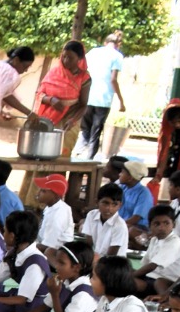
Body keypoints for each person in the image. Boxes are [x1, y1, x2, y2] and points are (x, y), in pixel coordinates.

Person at [33, 40, 91, 155]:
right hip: (48, 119)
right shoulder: (53, 72)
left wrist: (72, 121)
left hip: (69, 120)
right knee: (41, 151)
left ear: (79, 58)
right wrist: (51, 100)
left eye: (70, 58)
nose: (65, 61)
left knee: (61, 153)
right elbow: (39, 95)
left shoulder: (84, 78)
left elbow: (83, 105)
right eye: (64, 57)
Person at [78, 32, 126, 160]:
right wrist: (121, 101)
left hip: (87, 96)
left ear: (105, 42)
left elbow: (82, 69)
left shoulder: (93, 52)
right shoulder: (117, 56)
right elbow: (113, 79)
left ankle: (78, 154)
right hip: (104, 100)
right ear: (118, 44)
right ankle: (88, 160)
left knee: (85, 130)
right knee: (96, 132)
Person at [79, 182, 128, 257]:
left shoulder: (120, 225)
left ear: (119, 205)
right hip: (98, 258)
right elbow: (89, 244)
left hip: (113, 262)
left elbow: (111, 256)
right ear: (97, 202)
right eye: (105, 203)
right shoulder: (91, 215)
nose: (109, 208)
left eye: (114, 204)